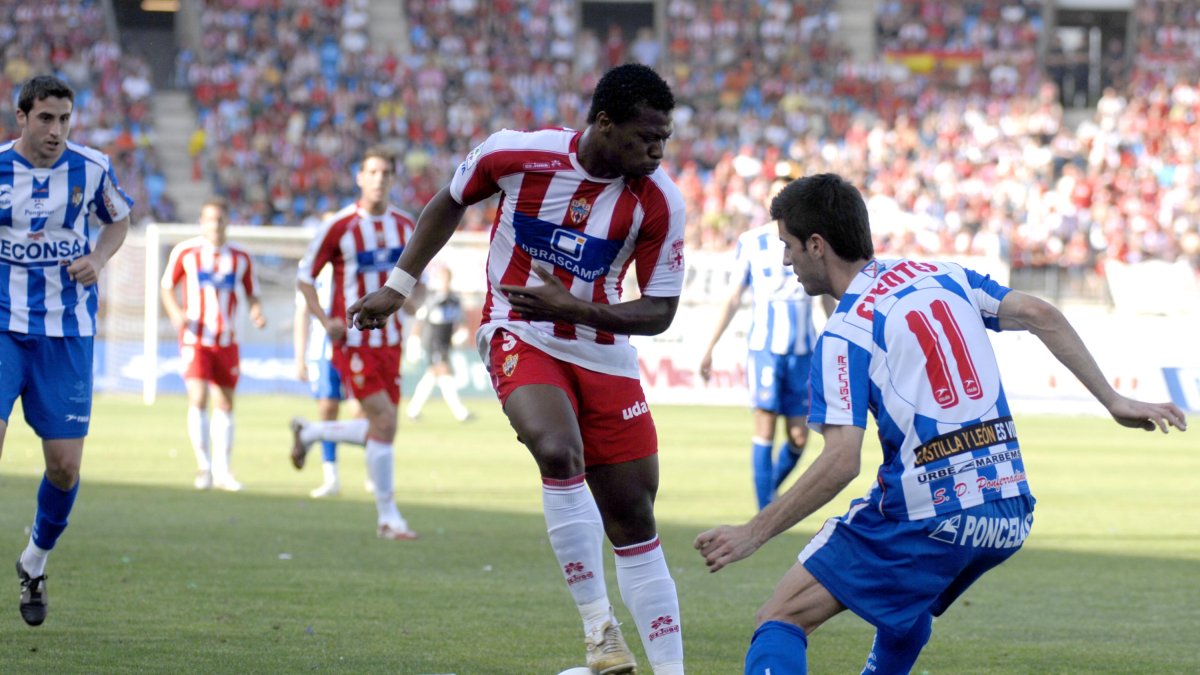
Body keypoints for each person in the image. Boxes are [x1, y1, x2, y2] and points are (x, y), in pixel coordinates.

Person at [693, 173, 1188, 674]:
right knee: (906, 608)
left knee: (781, 616)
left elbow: (841, 462)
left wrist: (755, 531)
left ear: (817, 246)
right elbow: (1040, 313)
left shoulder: (843, 334)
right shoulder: (944, 275)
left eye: (788, 246)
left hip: (929, 513)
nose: (785, 261)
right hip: (1008, 510)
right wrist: (1112, 399)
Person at [347, 63, 687, 675]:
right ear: (605, 124)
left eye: (664, 137)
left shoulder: (660, 200)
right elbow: (448, 202)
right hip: (519, 331)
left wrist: (575, 308)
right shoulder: (515, 154)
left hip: (604, 352)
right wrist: (399, 285)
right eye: (646, 137)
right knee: (557, 449)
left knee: (635, 518)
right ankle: (600, 631)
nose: (658, 151)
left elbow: (660, 311)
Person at [1, 75, 133, 626]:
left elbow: (119, 220)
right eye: (45, 119)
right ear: (22, 118)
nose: (56, 130)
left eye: (64, 119)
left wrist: (98, 260)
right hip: (4, 327)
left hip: (67, 331)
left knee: (64, 468)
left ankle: (34, 560)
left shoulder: (92, 168)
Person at [290, 146, 421, 540]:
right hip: (353, 340)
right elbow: (305, 277)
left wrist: (416, 302)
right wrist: (324, 319)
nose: (379, 179)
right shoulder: (340, 225)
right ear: (360, 178)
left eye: (385, 172)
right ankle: (388, 518)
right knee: (384, 422)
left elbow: (420, 281)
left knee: (383, 428)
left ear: (392, 179)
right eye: (372, 172)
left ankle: (311, 433)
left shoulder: (405, 225)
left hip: (392, 341)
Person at [699, 178, 834, 510]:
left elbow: (825, 297)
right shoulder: (751, 241)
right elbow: (734, 297)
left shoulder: (812, 239)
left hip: (804, 352)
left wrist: (842, 334)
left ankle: (769, 496)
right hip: (765, 350)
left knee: (799, 437)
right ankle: (766, 511)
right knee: (765, 427)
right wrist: (710, 347)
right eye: (777, 189)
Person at [161, 197, 266, 492]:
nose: (215, 225)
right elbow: (167, 286)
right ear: (201, 222)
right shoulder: (186, 252)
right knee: (198, 398)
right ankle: (204, 468)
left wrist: (256, 311)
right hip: (195, 338)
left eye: (220, 219)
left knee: (226, 402)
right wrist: (176, 313)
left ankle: (223, 471)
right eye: (210, 219)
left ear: (227, 222)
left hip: (227, 339)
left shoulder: (241, 258)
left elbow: (252, 293)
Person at [292, 211, 365, 498]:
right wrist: (299, 357)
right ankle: (330, 476)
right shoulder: (312, 269)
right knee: (328, 409)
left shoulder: (356, 265)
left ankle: (371, 472)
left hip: (357, 345)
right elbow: (302, 313)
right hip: (323, 349)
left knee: (362, 411)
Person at [405, 264, 472, 423]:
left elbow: (461, 322)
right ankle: (460, 413)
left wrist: (461, 334)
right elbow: (419, 321)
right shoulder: (431, 299)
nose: (444, 282)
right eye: (442, 279)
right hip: (433, 340)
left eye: (446, 279)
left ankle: (413, 411)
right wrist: (414, 340)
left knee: (432, 376)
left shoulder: (454, 300)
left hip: (445, 341)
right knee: (444, 372)